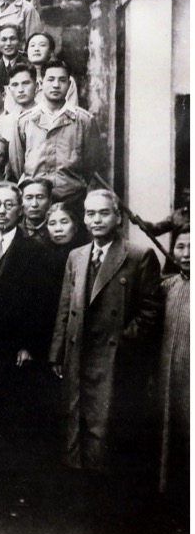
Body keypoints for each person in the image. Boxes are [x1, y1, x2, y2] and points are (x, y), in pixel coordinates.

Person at [50, 190, 161, 479]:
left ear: (118, 217)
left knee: (106, 431)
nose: (96, 220)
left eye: (103, 213)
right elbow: (65, 307)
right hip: (78, 354)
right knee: (76, 426)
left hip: (113, 359)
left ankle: (106, 500)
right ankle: (80, 492)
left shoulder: (138, 256)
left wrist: (123, 342)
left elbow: (150, 312)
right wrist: (58, 352)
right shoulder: (76, 256)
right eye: (90, 214)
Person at [0, 180, 58, 505]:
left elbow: (42, 304)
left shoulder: (36, 251)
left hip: (15, 347)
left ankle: (10, 487)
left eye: (9, 205)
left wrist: (28, 345)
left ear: (20, 210)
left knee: (13, 415)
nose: (2, 211)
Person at [11, 60, 103, 208]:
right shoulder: (25, 121)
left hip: (72, 198)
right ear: (41, 83)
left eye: (62, 80)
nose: (56, 85)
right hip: (36, 201)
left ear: (69, 84)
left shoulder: (84, 120)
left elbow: (91, 164)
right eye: (51, 79)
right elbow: (17, 163)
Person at [157, 230, 189, 511]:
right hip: (169, 376)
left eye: (193, 247)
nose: (187, 254)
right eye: (180, 247)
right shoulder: (168, 287)